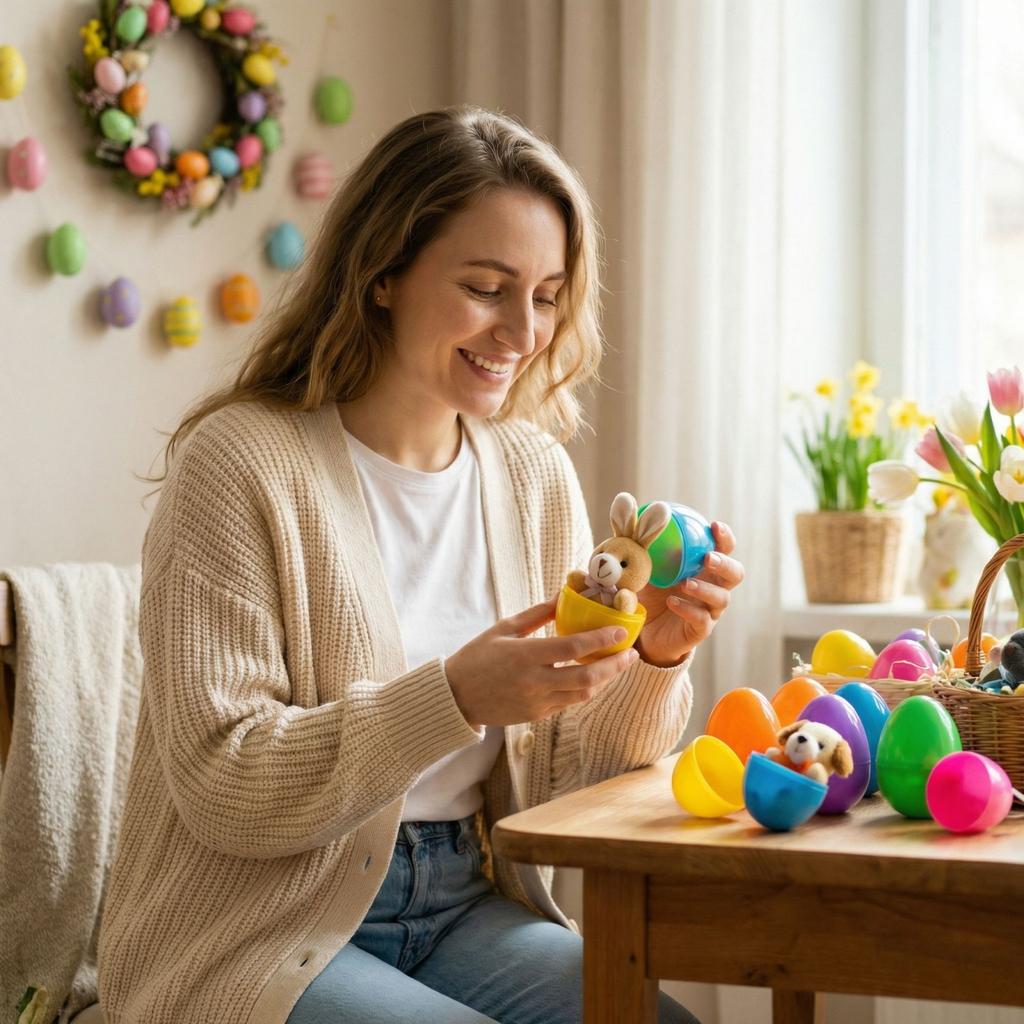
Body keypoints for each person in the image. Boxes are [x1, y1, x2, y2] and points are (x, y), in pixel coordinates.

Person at [97, 106, 743, 1024]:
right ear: (382, 274)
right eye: (485, 287)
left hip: (462, 901)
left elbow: (571, 783)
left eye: (547, 296)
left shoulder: (532, 475)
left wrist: (654, 657)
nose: (522, 332)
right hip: (251, 929)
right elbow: (222, 783)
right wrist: (454, 697)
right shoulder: (239, 465)